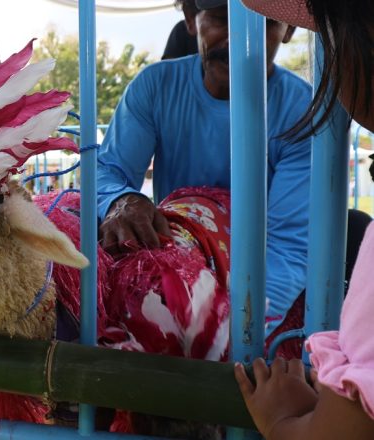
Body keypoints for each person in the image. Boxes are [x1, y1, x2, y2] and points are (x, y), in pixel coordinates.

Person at [98, 0, 312, 342]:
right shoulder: (154, 88)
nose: (239, 39)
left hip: (263, 292)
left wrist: (235, 331)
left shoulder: (303, 111)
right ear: (190, 20)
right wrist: (122, 199)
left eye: (265, 24)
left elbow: (288, 246)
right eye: (219, 19)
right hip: (173, 270)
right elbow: (107, 171)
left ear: (289, 30)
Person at [232, 1, 374, 438]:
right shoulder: (153, 88)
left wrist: (281, 422)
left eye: (327, 37)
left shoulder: (295, 104)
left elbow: (342, 433)